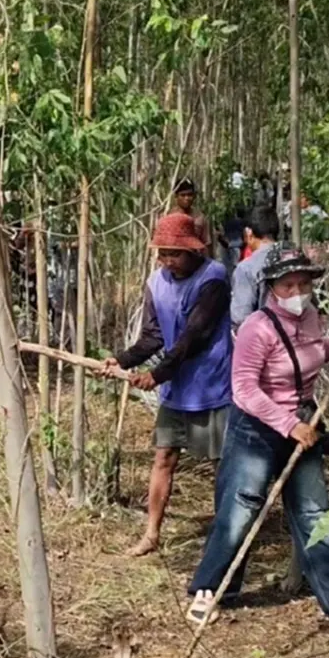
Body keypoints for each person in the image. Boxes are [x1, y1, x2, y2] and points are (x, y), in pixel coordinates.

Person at [185, 247, 329, 632]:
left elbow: (312, 354)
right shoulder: (256, 328)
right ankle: (209, 590)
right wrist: (286, 424)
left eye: (304, 283)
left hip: (303, 426)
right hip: (257, 428)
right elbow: (243, 389)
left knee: (315, 512)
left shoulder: (311, 318)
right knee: (240, 510)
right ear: (272, 288)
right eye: (288, 284)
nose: (297, 291)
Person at [100, 212, 232, 556]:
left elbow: (196, 336)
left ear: (193, 251)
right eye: (163, 253)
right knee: (164, 458)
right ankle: (152, 533)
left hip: (211, 384)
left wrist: (156, 374)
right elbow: (154, 335)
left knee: (222, 463)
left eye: (175, 253)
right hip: (176, 389)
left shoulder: (213, 279)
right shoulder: (157, 282)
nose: (168, 261)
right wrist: (124, 359)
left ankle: (225, 536)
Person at [230, 205, 281, 329]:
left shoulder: (247, 268)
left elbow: (241, 317)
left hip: (266, 339)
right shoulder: (296, 255)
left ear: (248, 233)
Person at [172, 178, 213, 258]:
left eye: (189, 195)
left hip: (196, 260)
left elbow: (206, 243)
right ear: (176, 196)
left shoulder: (200, 218)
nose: (186, 198)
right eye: (183, 195)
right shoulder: (169, 217)